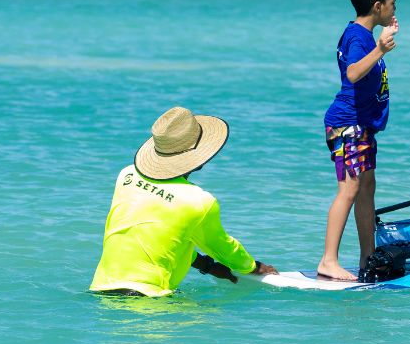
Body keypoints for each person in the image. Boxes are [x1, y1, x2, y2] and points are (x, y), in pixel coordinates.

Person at [90, 106, 277, 297]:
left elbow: (156, 236)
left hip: (100, 291)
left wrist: (206, 265)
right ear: (201, 156)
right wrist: (252, 267)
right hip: (148, 299)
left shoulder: (127, 175)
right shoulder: (199, 201)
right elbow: (221, 246)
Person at [318, 0, 398, 280]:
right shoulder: (357, 37)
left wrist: (382, 38)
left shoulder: (365, 35)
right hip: (347, 125)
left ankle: (368, 259)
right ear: (377, 6)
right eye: (391, 4)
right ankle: (328, 261)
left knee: (366, 190)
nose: (394, 9)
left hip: (362, 126)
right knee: (349, 189)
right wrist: (380, 49)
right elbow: (352, 73)